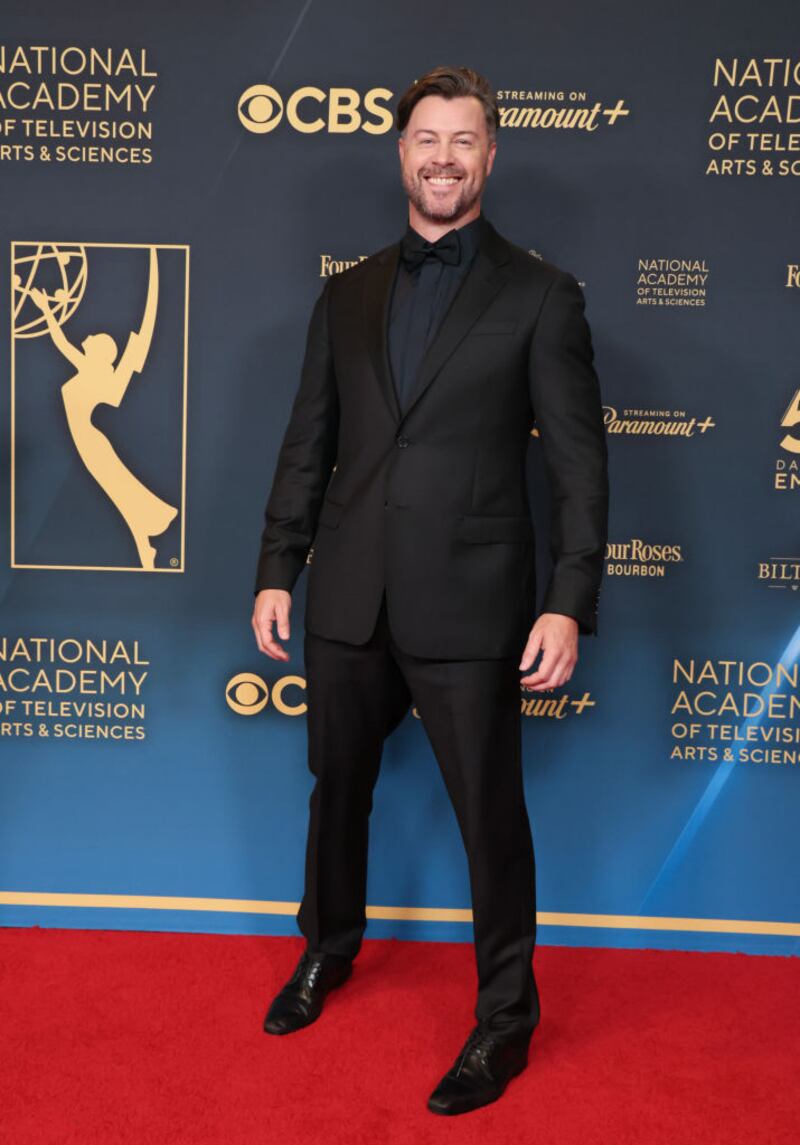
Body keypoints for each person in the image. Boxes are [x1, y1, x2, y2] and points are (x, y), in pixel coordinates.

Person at [251, 65, 609, 1116]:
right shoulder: (346, 293)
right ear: (400, 152)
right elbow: (307, 443)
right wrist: (277, 568)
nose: (442, 158)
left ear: (489, 155)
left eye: (462, 140)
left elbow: (578, 466)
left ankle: (504, 1019)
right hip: (348, 593)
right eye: (425, 139)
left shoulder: (541, 295)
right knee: (335, 792)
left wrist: (566, 599)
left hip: (472, 601)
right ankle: (328, 946)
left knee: (489, 817)